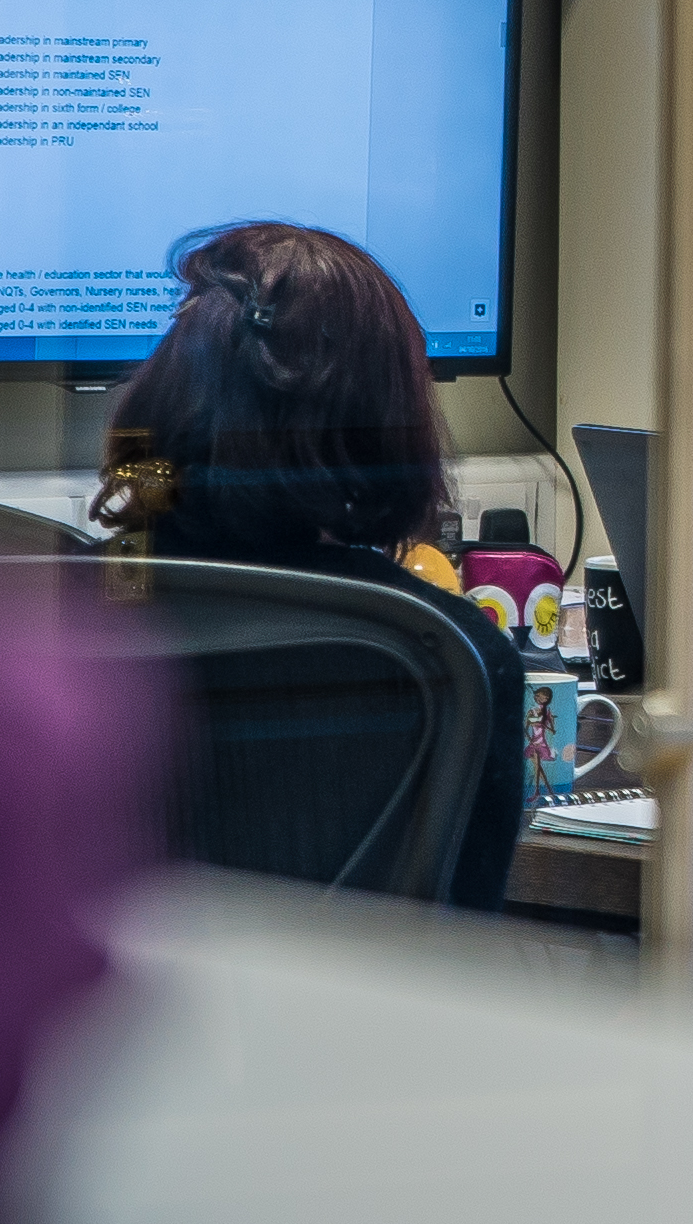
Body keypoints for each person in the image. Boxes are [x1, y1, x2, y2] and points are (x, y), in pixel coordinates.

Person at [83, 223, 531, 871]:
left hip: (118, 976)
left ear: (167, 392)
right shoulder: (459, 653)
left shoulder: (66, 612)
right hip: (339, 974)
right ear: (387, 425)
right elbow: (461, 922)